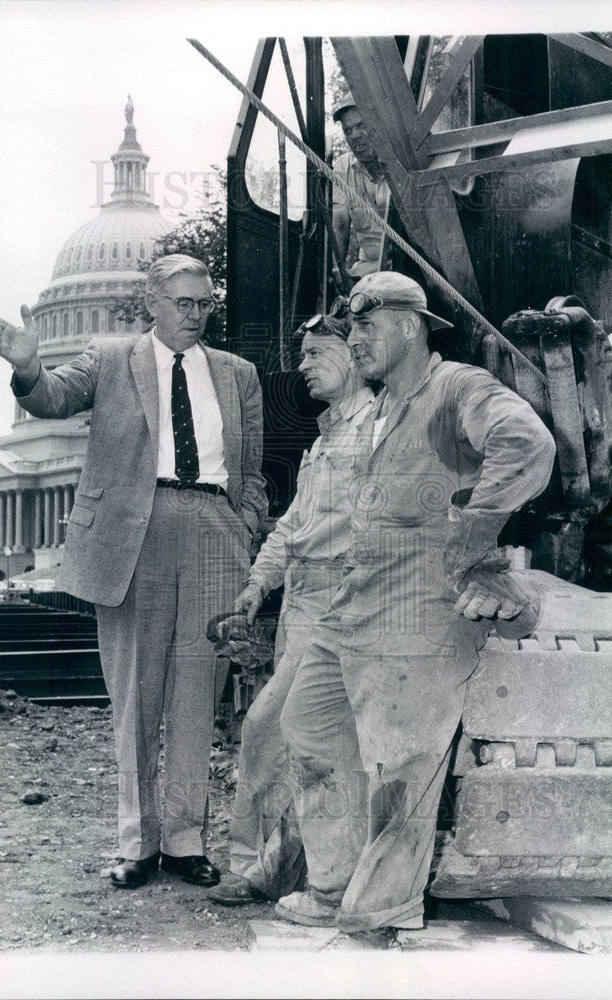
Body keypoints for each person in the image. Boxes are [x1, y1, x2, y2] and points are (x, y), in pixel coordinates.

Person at [275, 272, 557, 932]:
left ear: (408, 326)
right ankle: (330, 885)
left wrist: (473, 532)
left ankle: (380, 912)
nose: (357, 341)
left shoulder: (457, 388)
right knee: (308, 729)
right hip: (354, 610)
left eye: (367, 327)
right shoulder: (377, 409)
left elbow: (528, 444)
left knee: (399, 770)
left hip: (420, 615)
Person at [0, 254, 268, 890]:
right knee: (136, 691)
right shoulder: (111, 357)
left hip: (215, 528)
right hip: (134, 531)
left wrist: (245, 523)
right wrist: (28, 365)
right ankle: (136, 842)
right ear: (153, 303)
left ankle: (185, 839)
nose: (196, 315)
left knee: (200, 691)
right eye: (184, 303)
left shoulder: (237, 373)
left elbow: (251, 463)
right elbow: (53, 398)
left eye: (204, 304)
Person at [208, 306, 374, 906]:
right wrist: (257, 587)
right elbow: (293, 526)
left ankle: (261, 868)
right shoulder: (325, 435)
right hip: (301, 598)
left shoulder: (378, 430)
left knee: (272, 730)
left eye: (313, 353)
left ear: (354, 354)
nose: (301, 365)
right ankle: (282, 869)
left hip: (339, 601)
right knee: (285, 743)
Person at [331, 91, 391, 279]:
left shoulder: (398, 163)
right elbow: (339, 225)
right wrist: (338, 272)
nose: (355, 135)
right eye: (348, 130)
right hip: (368, 269)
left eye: (361, 126)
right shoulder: (343, 167)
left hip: (404, 267)